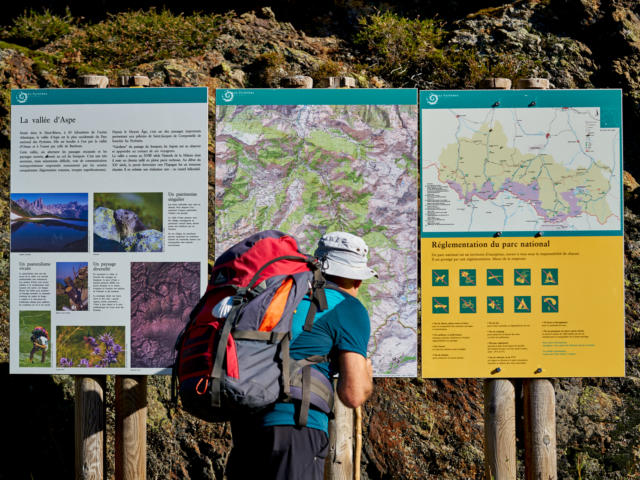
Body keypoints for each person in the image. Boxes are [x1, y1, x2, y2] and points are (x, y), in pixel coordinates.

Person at [226, 231, 376, 480]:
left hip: (246, 426)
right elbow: (353, 394)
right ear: (356, 279)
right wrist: (366, 377)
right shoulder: (348, 307)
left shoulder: (282, 294)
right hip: (296, 426)